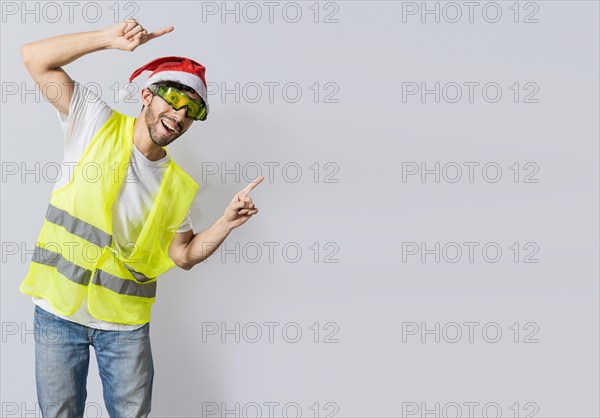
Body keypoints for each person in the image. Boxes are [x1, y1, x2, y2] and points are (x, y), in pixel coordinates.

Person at [18, 19, 263, 417]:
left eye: (192, 110)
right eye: (172, 98)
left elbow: (182, 255)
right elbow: (34, 58)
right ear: (146, 94)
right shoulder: (93, 121)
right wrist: (105, 40)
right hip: (58, 313)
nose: (179, 115)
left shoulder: (178, 186)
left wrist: (225, 223)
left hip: (125, 327)